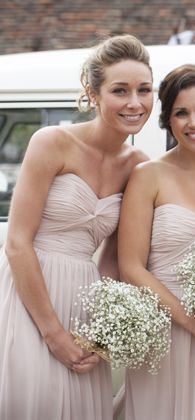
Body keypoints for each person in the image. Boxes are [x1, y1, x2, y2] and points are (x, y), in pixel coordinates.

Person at [0, 34, 152, 419]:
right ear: (93, 94)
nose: (135, 102)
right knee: (36, 401)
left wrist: (101, 333)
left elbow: (114, 260)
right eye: (120, 90)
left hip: (86, 299)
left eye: (144, 90)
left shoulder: (138, 165)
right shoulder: (51, 142)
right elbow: (18, 242)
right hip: (31, 293)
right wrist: (53, 334)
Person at [118, 64, 195, 420]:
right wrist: (192, 322)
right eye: (181, 113)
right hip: (165, 333)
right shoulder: (148, 176)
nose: (194, 123)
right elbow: (131, 265)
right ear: (168, 120)